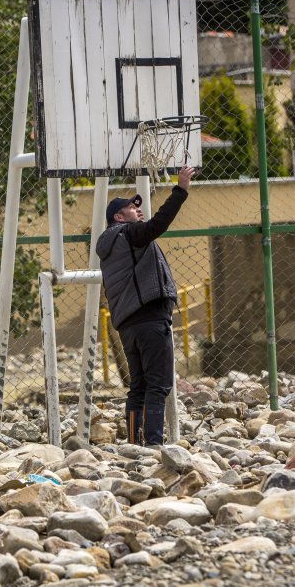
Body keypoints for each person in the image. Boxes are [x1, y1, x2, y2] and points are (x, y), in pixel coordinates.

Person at [96, 167, 195, 446]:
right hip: (150, 319)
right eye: (131, 208)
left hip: (129, 324)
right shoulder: (128, 235)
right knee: (158, 385)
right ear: (118, 217)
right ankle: (153, 445)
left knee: (138, 387)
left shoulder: (110, 244)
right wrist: (181, 189)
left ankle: (134, 444)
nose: (138, 211)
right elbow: (158, 224)